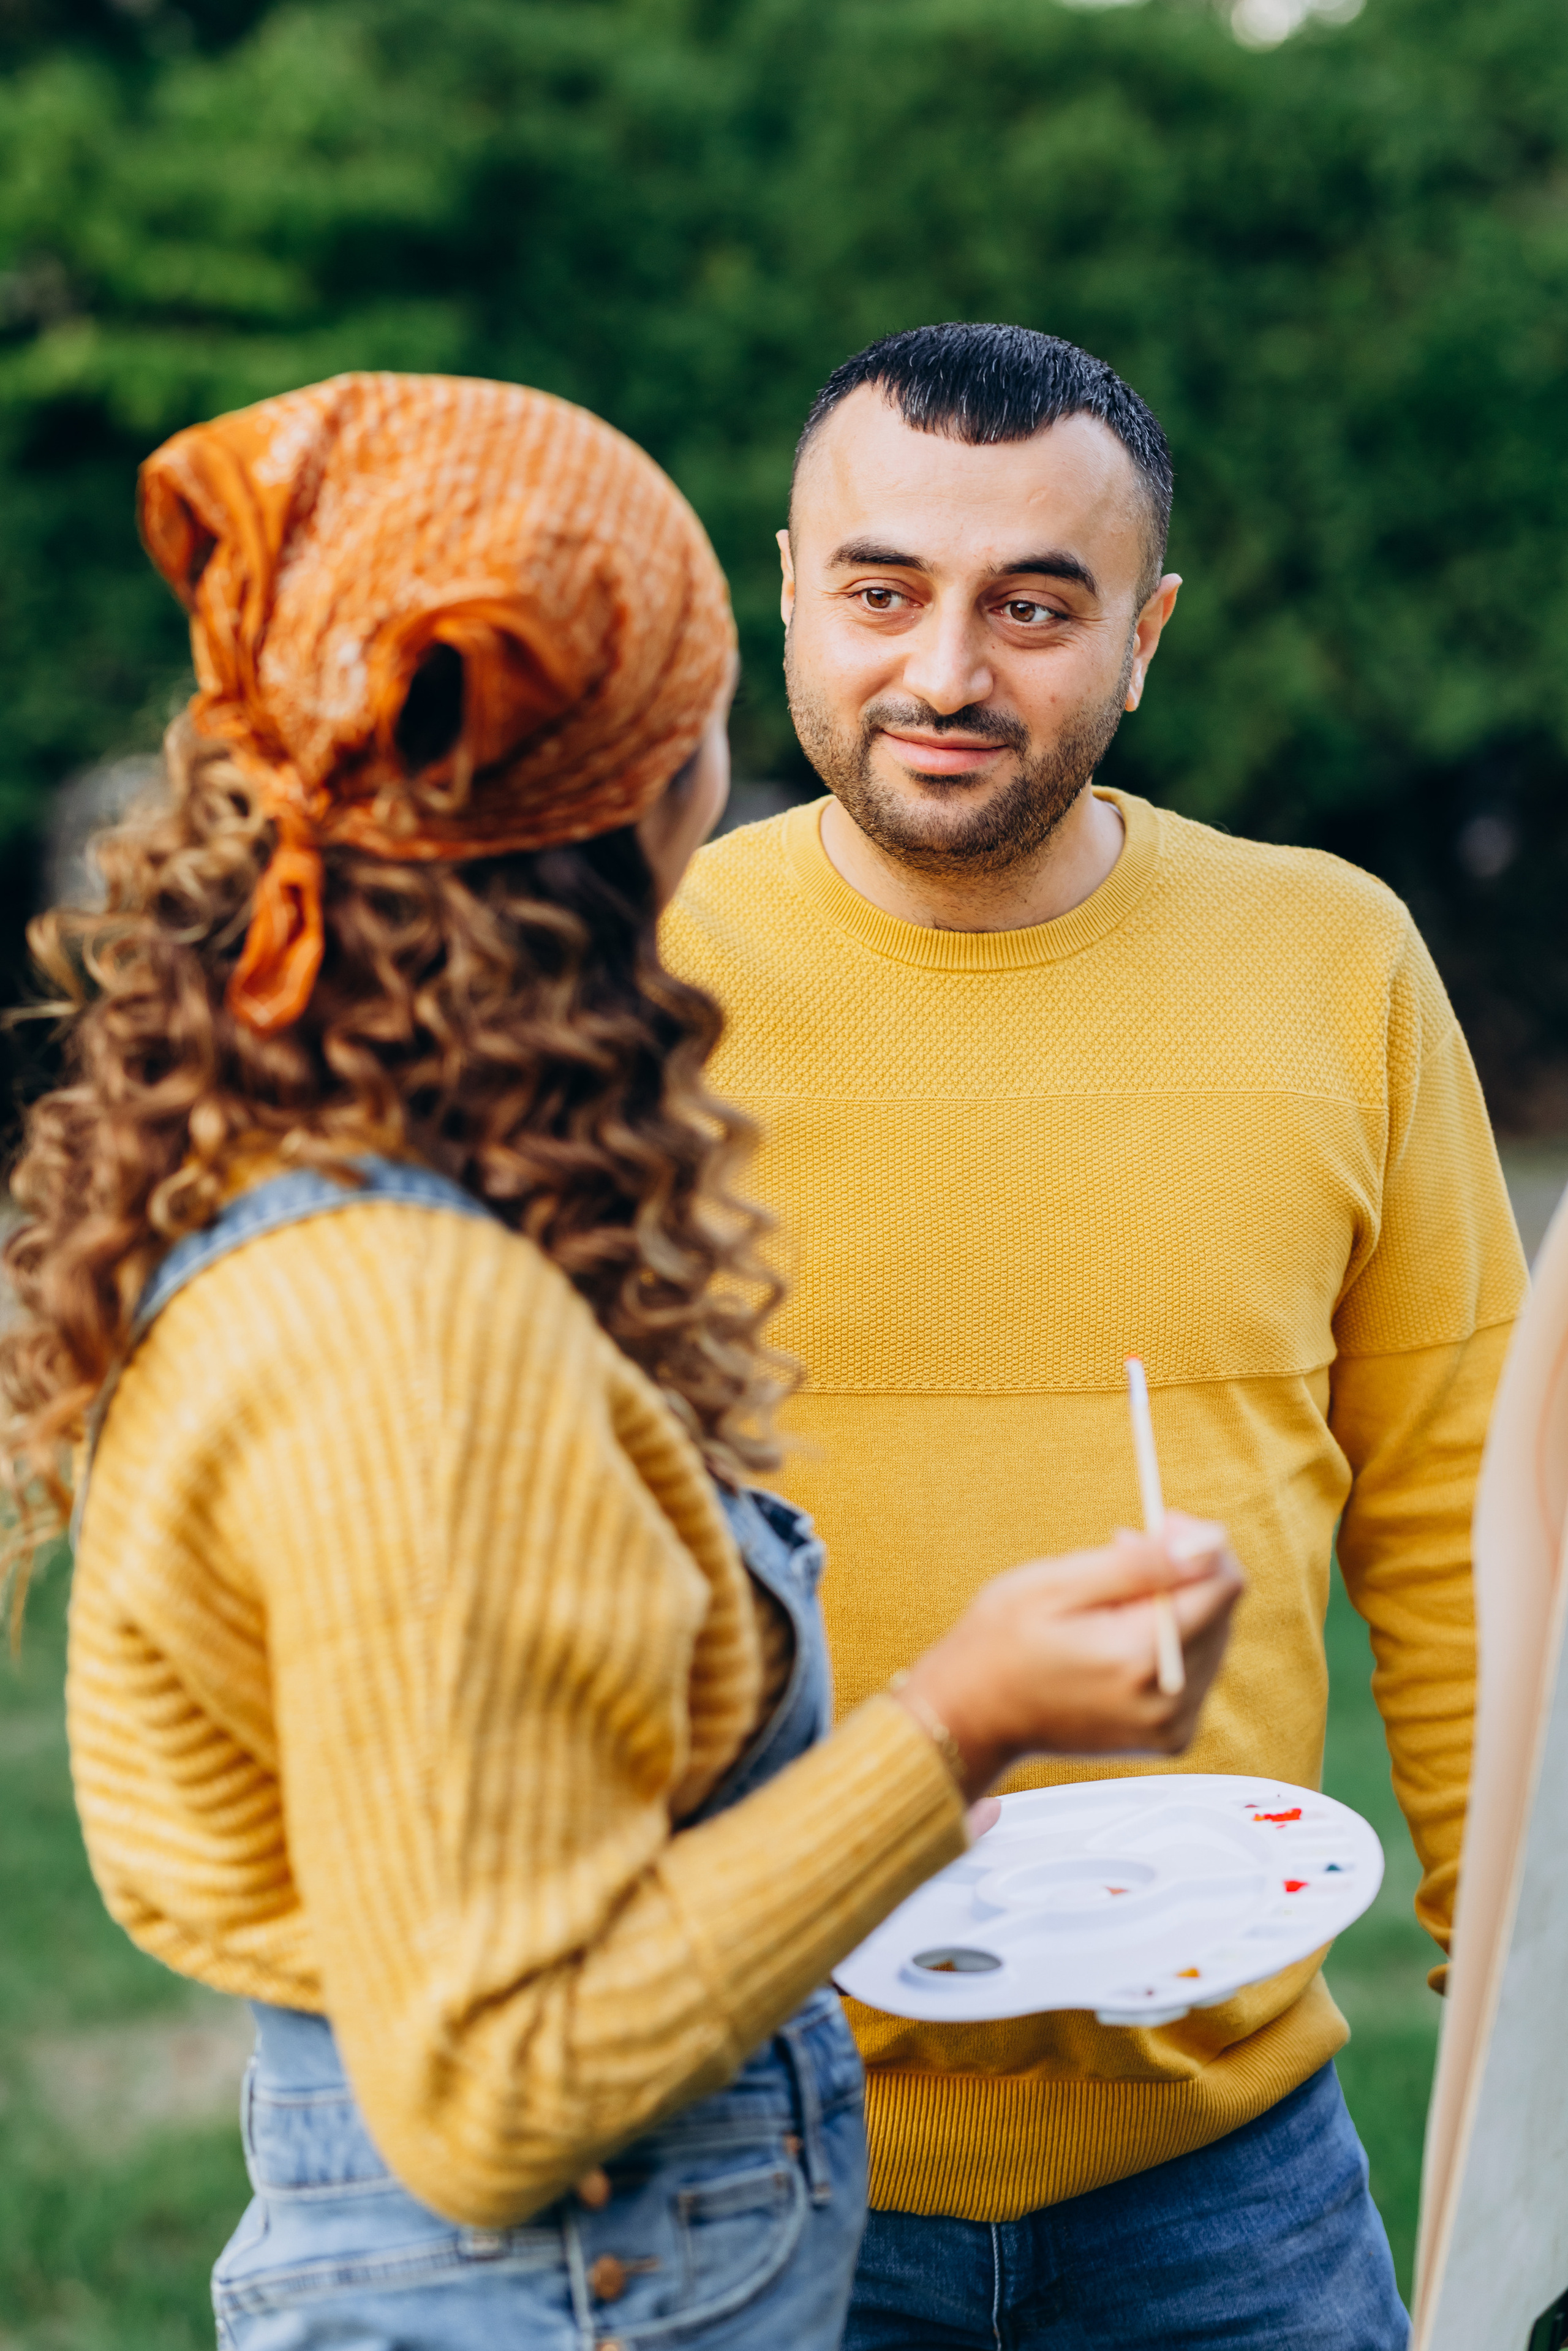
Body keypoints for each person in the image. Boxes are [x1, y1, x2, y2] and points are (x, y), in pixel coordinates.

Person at [0, 371, 1241, 2351]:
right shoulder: (409, 1340)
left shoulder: (350, 1191)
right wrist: (963, 1723)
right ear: (648, 788)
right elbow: (503, 2086)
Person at [662, 321, 1529, 2348]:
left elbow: (1466, 1534)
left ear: (1144, 636)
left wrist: (1524, 2036)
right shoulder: (630, 986)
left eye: (1034, 606)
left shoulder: (1338, 961)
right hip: (734, 2157)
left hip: (1225, 2184)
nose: (949, 672)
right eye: (884, 592)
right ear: (785, 589)